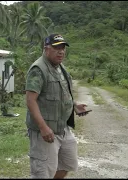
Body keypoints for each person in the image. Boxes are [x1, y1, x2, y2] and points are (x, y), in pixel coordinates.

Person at [25, 34, 90, 179]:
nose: (61, 51)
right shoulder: (38, 69)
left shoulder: (60, 68)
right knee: (42, 173)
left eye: (62, 48)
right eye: (56, 48)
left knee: (66, 164)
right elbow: (30, 100)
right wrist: (43, 127)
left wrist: (74, 106)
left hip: (63, 128)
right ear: (46, 49)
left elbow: (62, 94)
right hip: (45, 132)